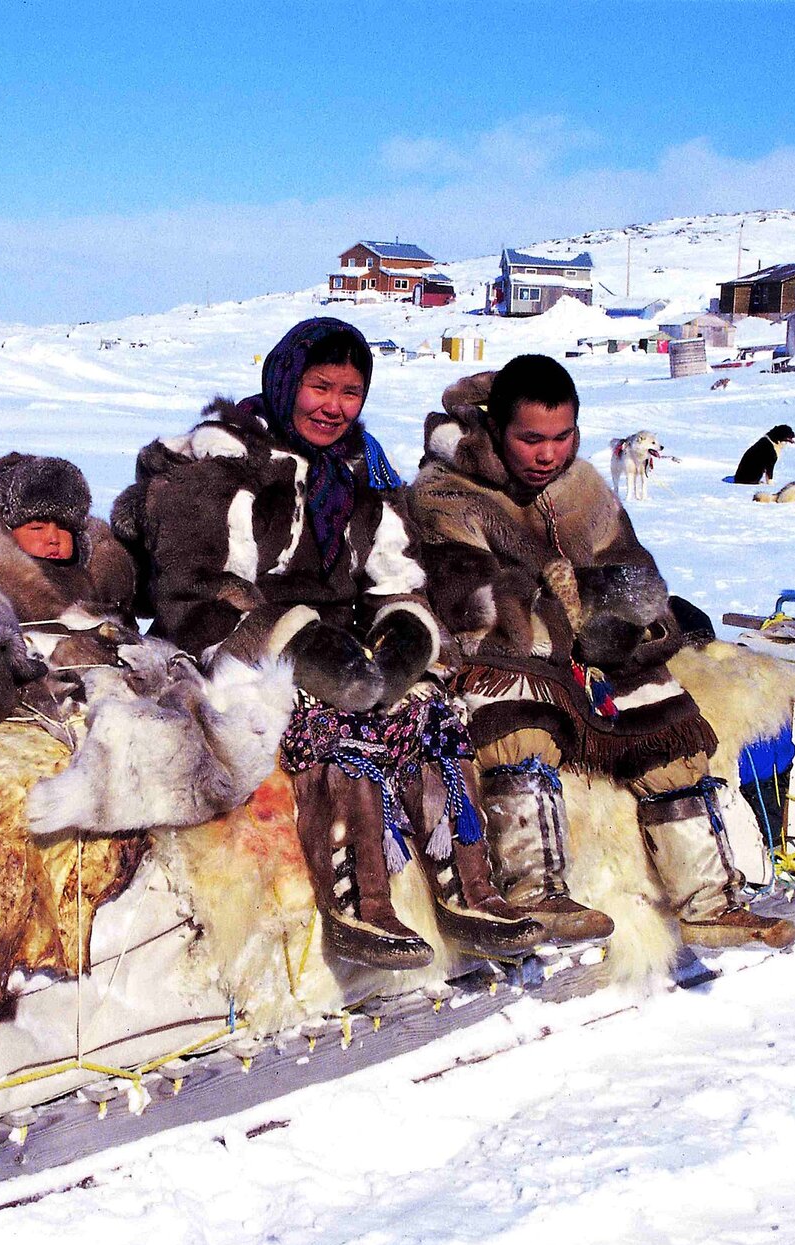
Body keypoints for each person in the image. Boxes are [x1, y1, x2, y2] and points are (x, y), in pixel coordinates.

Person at [112, 316, 546, 969]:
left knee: (427, 711)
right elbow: (192, 589)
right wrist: (294, 641)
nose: (334, 406)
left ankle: (469, 889)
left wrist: (404, 634)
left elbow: (396, 573)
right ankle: (360, 902)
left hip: (336, 642)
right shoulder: (226, 461)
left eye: (350, 392)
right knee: (331, 717)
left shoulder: (357, 469)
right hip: (229, 649)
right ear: (286, 381)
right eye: (320, 387)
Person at [411, 355, 795, 949]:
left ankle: (710, 901)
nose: (549, 455)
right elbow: (470, 598)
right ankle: (536, 893)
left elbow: (632, 569)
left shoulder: (582, 487)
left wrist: (624, 623)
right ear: (495, 431)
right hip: (507, 654)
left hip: (592, 650)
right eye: (531, 439)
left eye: (563, 437)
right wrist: (562, 612)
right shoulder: (447, 494)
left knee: (667, 728)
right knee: (518, 725)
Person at [0, 452, 138, 706]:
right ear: (5, 534)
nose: (53, 538)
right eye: (37, 528)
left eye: (64, 528)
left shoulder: (100, 588)